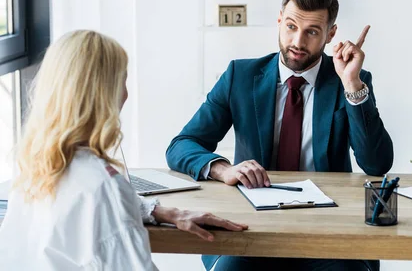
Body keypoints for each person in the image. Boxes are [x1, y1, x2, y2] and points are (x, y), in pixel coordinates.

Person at [166, 0, 393, 271]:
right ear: (278, 21)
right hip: (250, 229)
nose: (298, 41)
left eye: (312, 31)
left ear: (330, 34)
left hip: (329, 233)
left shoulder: (349, 82)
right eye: (290, 26)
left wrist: (352, 84)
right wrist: (225, 169)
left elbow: (377, 164)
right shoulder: (241, 75)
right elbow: (182, 145)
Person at [0, 30, 248, 270]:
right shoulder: (102, 186)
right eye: (122, 80)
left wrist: (160, 211)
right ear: (103, 95)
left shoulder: (37, 166)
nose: (126, 94)